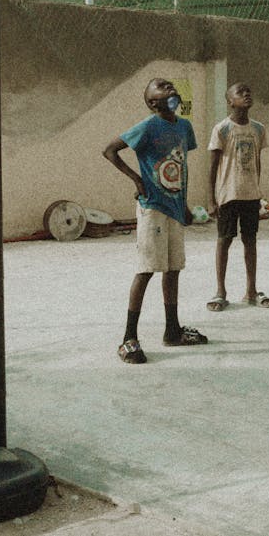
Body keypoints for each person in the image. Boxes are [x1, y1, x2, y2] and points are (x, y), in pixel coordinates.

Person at [103, 77, 208, 363]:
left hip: (174, 209)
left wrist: (184, 204)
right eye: (161, 87)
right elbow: (110, 150)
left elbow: (177, 166)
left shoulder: (184, 127)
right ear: (152, 102)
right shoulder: (148, 126)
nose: (170, 89)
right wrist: (137, 180)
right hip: (152, 208)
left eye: (170, 85)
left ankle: (172, 331)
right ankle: (128, 338)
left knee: (173, 268)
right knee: (147, 268)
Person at [206, 82, 269, 312]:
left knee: (250, 240)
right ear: (229, 101)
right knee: (224, 241)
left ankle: (251, 290)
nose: (246, 94)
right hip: (228, 194)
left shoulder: (258, 129)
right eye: (240, 92)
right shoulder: (222, 129)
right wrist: (211, 199)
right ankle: (220, 291)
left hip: (250, 195)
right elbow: (213, 166)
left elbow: (257, 162)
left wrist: (258, 191)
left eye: (249, 91)